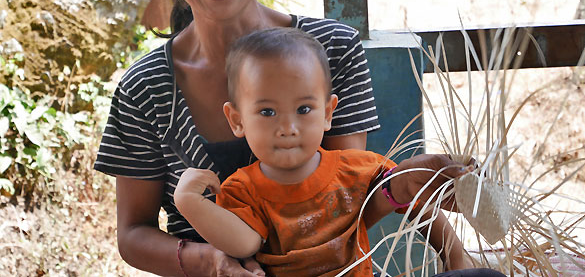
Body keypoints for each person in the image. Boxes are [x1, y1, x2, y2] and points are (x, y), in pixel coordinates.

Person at [94, 0, 381, 276]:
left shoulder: (331, 49)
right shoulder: (145, 88)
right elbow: (133, 232)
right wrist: (207, 261)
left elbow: (351, 195)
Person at [174, 27, 474, 276]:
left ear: (328, 113)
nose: (288, 127)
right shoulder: (243, 189)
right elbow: (243, 244)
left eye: (304, 109)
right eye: (267, 112)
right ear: (237, 120)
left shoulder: (357, 168)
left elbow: (407, 190)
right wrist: (188, 201)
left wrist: (454, 253)